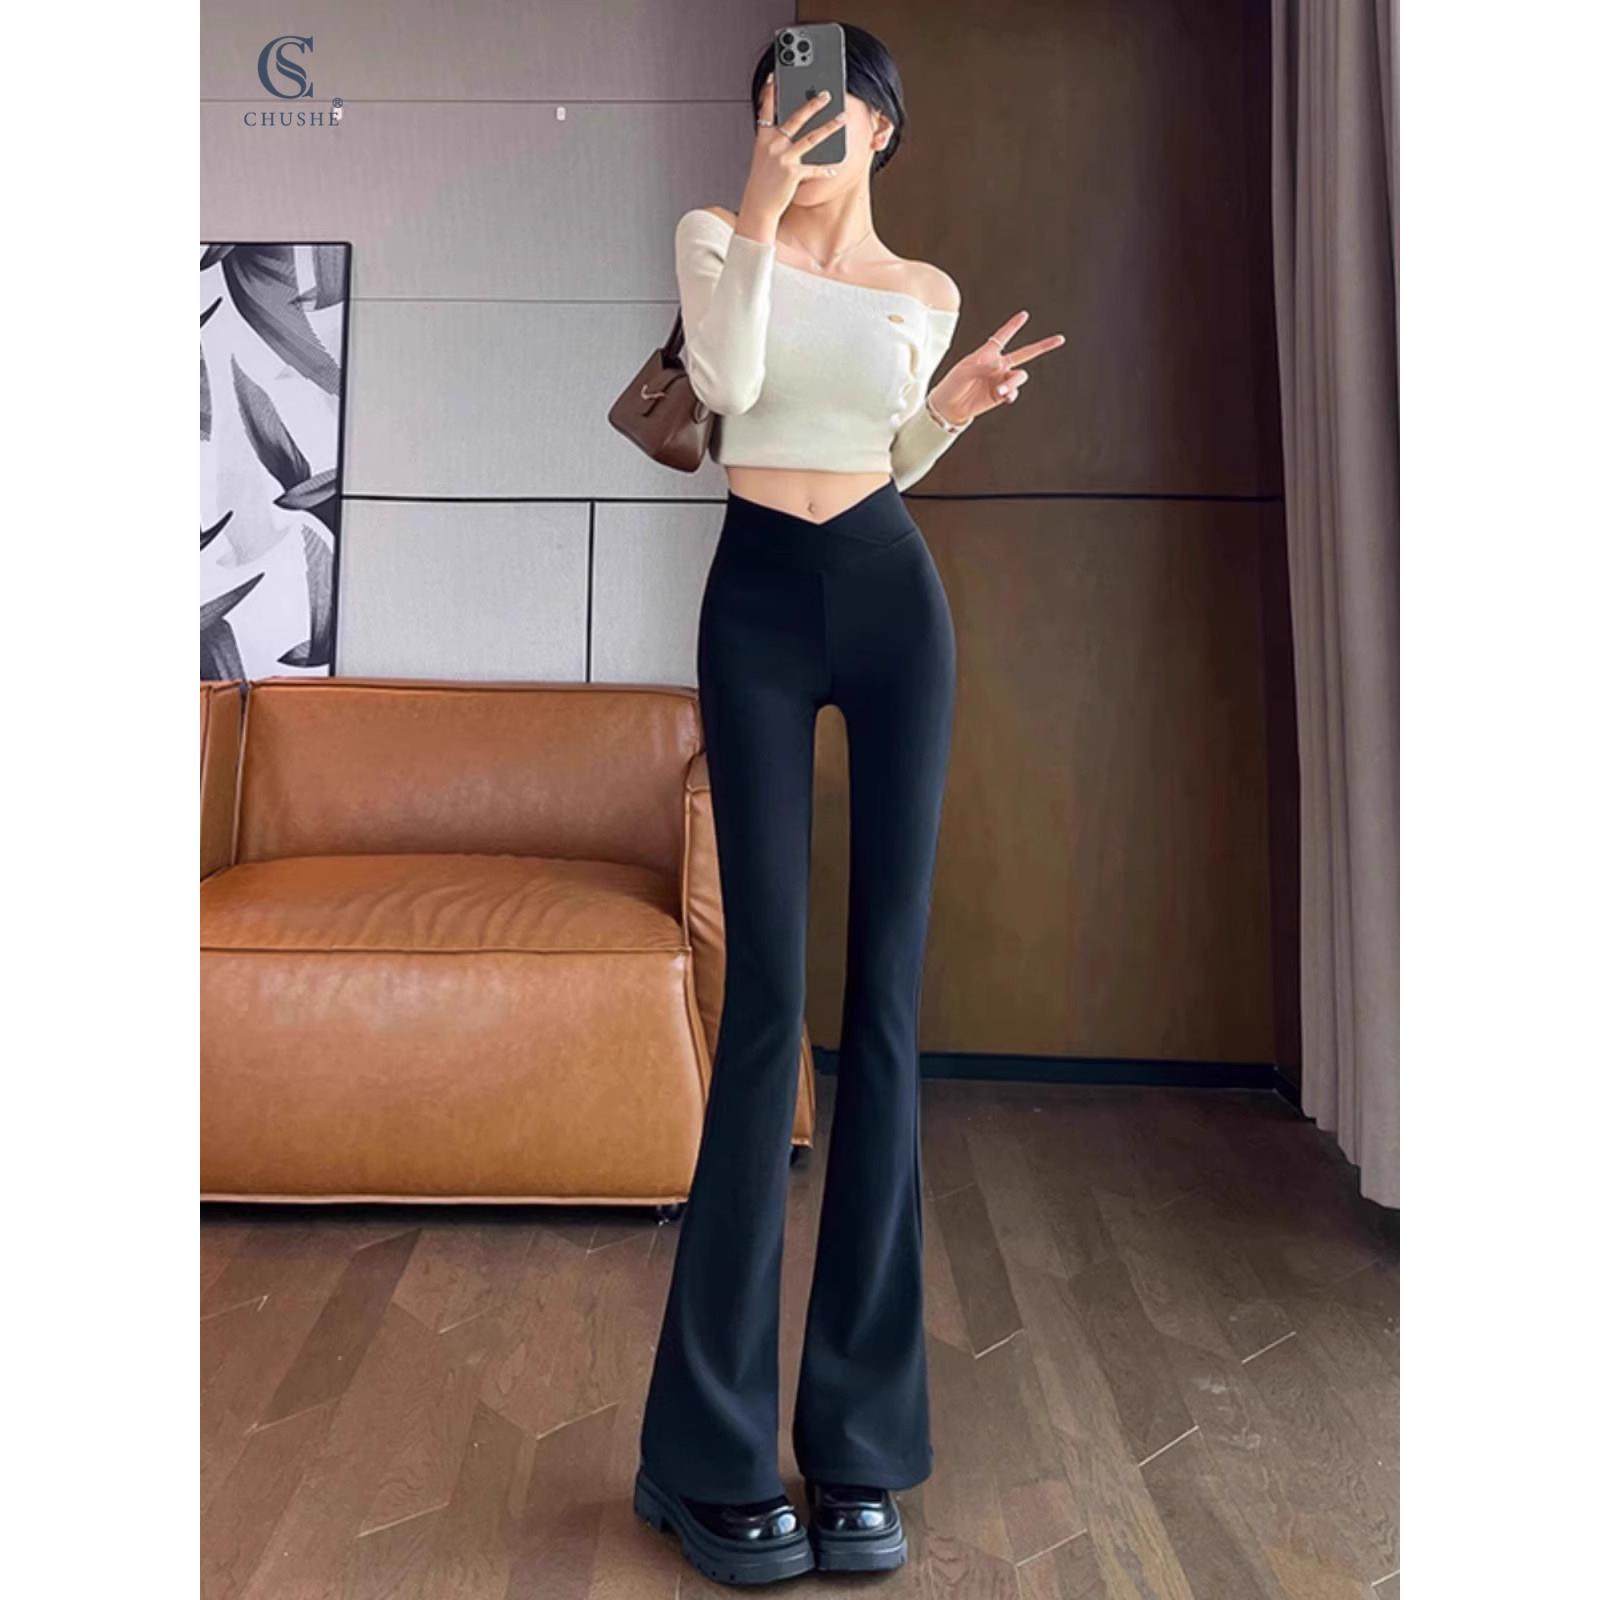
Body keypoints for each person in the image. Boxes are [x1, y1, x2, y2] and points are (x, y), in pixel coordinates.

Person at [633, 22, 1064, 1587]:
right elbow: (733, 388)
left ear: (880, 128)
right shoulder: (715, 235)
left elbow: (886, 460)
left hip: (890, 599)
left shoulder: (922, 288)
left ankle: (862, 1449)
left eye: (822, 113)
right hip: (756, 598)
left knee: (884, 1007)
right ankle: (704, 1457)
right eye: (776, 109)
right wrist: (758, 210)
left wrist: (950, 405)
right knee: (767, 1009)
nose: (798, 130)